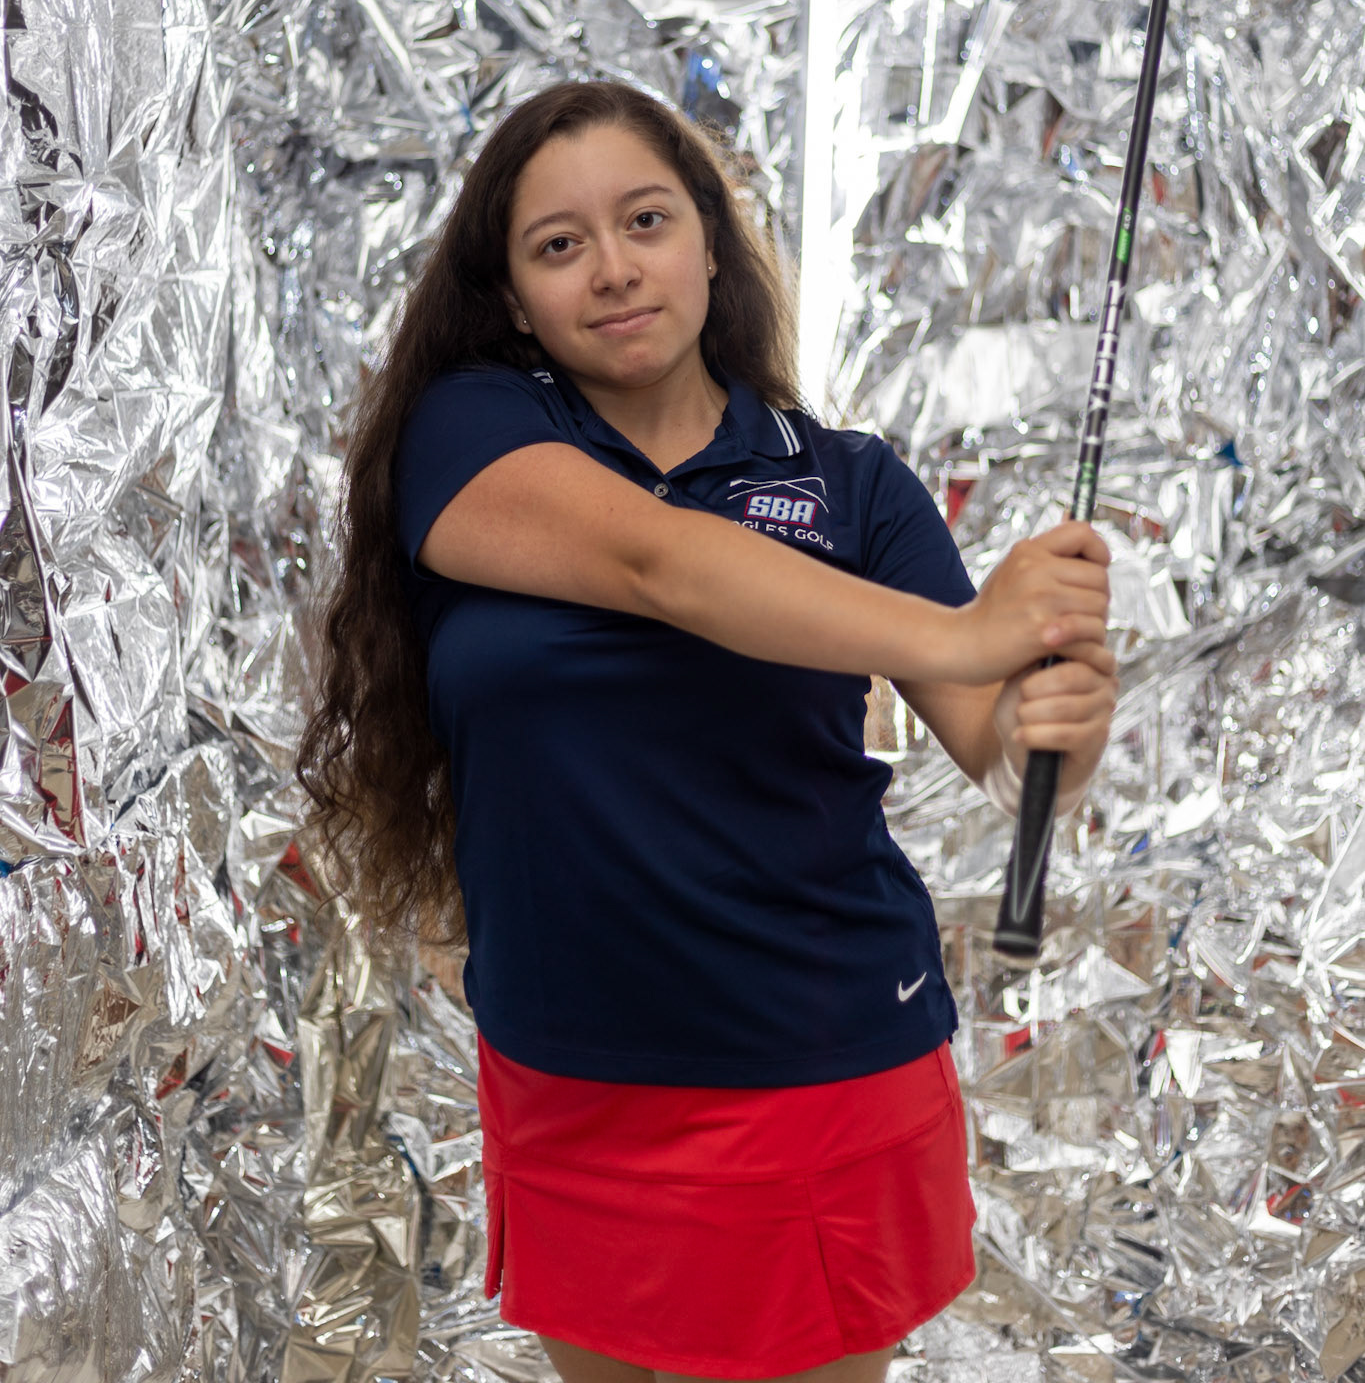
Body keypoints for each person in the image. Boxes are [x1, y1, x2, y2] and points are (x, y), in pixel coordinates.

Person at [299, 78, 1115, 1383]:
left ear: (710, 245)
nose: (612, 270)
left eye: (645, 221)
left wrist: (1059, 718)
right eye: (559, 246)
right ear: (510, 296)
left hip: (810, 1059)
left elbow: (1003, 745)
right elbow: (659, 566)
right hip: (572, 1073)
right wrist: (967, 634)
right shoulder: (473, 436)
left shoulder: (849, 482)